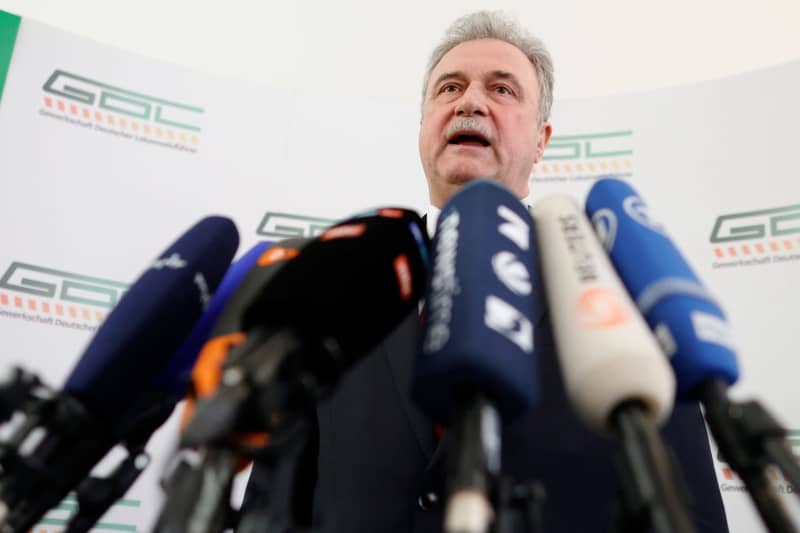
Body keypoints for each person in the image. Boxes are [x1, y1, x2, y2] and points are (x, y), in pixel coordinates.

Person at [243, 11, 730, 533]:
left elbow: (688, 509)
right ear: (424, 125)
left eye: (502, 90)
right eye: (449, 87)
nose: (470, 102)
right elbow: (274, 510)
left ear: (541, 140)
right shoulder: (344, 284)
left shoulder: (613, 280)